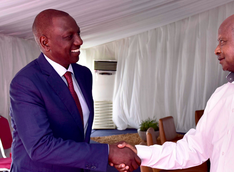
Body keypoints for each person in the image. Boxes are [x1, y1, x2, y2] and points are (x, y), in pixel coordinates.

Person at [116, 11, 234, 171]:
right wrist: (138, 151)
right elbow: (193, 149)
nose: (216, 50)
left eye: (222, 41)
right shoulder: (221, 95)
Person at [9, 9, 140, 172]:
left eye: (78, 33)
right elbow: (40, 147)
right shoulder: (26, 82)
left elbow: (79, 133)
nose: (79, 41)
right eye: (69, 36)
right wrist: (107, 152)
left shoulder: (84, 74)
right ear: (45, 43)